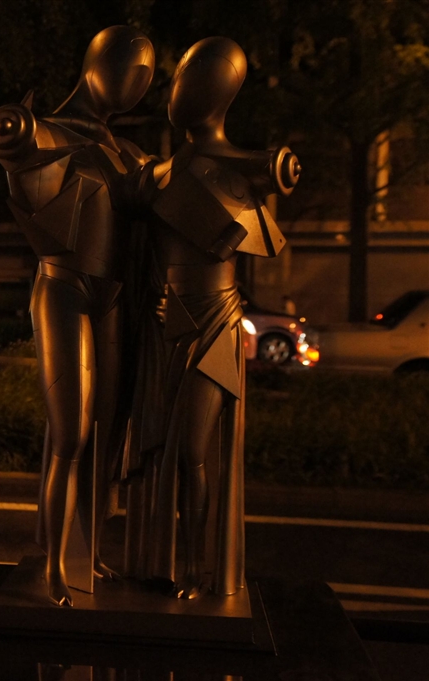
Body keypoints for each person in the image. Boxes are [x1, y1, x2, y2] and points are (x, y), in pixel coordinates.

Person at [121, 37, 300, 599]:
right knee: (160, 449)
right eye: (179, 76)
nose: (182, 88)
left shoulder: (247, 169)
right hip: (162, 323)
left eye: (198, 76)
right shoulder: (155, 176)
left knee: (194, 451)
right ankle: (160, 562)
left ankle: (200, 567)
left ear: (225, 90)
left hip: (213, 323)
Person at [0, 26, 155, 606]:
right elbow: (14, 144)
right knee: (71, 432)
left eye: (147, 77)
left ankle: (89, 552)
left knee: (106, 433)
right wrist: (13, 133)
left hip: (114, 294)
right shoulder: (49, 131)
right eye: (131, 68)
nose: (138, 85)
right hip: (63, 287)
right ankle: (56, 564)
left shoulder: (127, 153)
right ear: (96, 63)